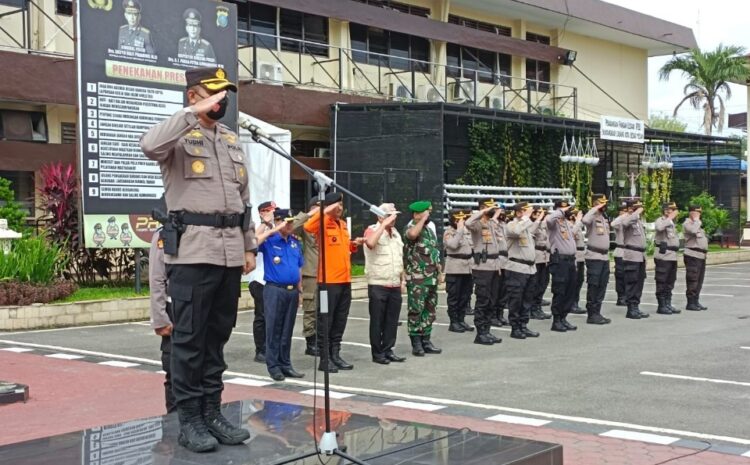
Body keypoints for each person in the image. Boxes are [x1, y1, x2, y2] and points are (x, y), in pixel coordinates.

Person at [140, 67, 255, 453]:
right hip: (192, 253)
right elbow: (148, 145)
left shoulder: (231, 140)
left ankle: (212, 411)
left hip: (228, 254)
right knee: (189, 341)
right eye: (215, 93)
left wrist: (249, 246)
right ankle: (188, 418)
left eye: (226, 94)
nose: (223, 100)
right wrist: (191, 113)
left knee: (216, 339)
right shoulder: (176, 135)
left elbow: (244, 202)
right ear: (195, 95)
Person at [303, 192, 362, 373]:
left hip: (344, 280)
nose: (340, 210)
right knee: (325, 321)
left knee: (340, 320)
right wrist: (326, 211)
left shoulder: (342, 225)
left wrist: (353, 245)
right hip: (328, 282)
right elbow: (307, 226)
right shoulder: (322, 222)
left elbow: (341, 248)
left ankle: (335, 354)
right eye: (337, 206)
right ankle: (324, 358)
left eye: (341, 207)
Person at [257, 208, 304, 381]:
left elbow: (298, 267)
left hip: (291, 291)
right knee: (274, 329)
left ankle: (285, 363)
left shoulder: (294, 242)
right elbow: (254, 241)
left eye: (291, 222)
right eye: (287, 222)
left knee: (287, 330)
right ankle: (273, 365)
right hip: (274, 290)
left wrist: (300, 291)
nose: (291, 225)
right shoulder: (270, 240)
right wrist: (272, 227)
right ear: (279, 222)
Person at [363, 203, 406, 364]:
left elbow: (399, 257)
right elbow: (370, 243)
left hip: (394, 283)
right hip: (378, 283)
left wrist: (403, 279)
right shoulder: (372, 230)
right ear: (380, 216)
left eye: (394, 216)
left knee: (392, 320)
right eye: (389, 216)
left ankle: (388, 349)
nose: (393, 219)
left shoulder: (395, 234)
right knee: (377, 320)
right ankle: (377, 353)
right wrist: (383, 226)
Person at [403, 200, 442, 356]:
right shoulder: (411, 227)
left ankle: (426, 340)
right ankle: (416, 343)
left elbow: (434, 252)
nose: (429, 215)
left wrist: (439, 271)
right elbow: (412, 235)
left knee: (430, 310)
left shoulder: (429, 230)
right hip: (417, 279)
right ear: (417, 214)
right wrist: (422, 220)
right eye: (427, 212)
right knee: (416, 310)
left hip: (430, 277)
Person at [465, 199, 504, 345]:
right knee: (483, 300)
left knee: (492, 300)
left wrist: (498, 266)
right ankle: (480, 333)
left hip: (494, 266)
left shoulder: (491, 223)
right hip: (482, 267)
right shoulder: (477, 224)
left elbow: (496, 247)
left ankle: (487, 330)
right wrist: (481, 212)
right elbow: (468, 223)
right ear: (482, 208)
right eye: (490, 206)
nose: (493, 208)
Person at [504, 202, 542, 340]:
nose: (528, 214)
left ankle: (523, 325)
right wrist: (525, 218)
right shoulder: (511, 225)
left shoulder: (526, 227)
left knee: (527, 299)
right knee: (516, 299)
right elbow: (514, 232)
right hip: (516, 268)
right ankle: (515, 328)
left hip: (530, 269)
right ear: (518, 212)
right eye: (525, 211)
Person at [148, 230, 176, 413]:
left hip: (202, 309)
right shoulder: (166, 233)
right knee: (175, 371)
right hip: (175, 310)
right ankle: (175, 421)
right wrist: (159, 317)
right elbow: (157, 277)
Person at [292, 197, 321, 356]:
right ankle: (311, 342)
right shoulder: (307, 224)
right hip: (312, 272)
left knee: (326, 309)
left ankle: (323, 339)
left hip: (329, 274)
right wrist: (310, 214)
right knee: (311, 308)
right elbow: (292, 227)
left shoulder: (328, 222)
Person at [249, 201, 277, 364]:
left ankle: (272, 348)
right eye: (271, 211)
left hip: (274, 280)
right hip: (259, 279)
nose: (274, 214)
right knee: (262, 316)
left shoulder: (277, 229)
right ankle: (260, 350)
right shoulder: (255, 228)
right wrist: (265, 223)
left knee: (274, 317)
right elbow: (253, 242)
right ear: (262, 212)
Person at [546, 200, 578, 332]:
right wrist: (560, 211)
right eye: (565, 209)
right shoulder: (554, 222)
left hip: (570, 261)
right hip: (560, 261)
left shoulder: (565, 222)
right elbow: (548, 219)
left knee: (570, 291)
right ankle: (557, 320)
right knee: (560, 290)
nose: (568, 210)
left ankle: (564, 317)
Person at [443, 209, 475, 334]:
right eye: (457, 219)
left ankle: (461, 320)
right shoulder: (449, 232)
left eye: (461, 219)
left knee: (465, 296)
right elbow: (453, 245)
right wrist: (460, 230)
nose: (460, 221)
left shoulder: (466, 232)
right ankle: (454, 322)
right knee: (454, 297)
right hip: (455, 268)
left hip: (467, 267)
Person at [582, 194, 612, 325]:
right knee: (594, 285)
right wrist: (595, 208)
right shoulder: (592, 216)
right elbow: (584, 220)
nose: (604, 205)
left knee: (602, 285)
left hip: (604, 256)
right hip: (594, 256)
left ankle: (597, 312)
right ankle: (591, 314)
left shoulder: (603, 218)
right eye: (602, 203)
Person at [620, 199, 650, 320]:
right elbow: (625, 223)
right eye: (637, 207)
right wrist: (636, 213)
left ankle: (636, 306)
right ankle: (631, 309)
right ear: (631, 208)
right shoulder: (626, 217)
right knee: (632, 282)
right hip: (631, 255)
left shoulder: (637, 220)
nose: (640, 209)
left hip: (640, 256)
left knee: (639, 282)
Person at [653, 201, 682, 315]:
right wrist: (670, 217)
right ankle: (661, 305)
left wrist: (671, 219)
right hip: (663, 256)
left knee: (670, 281)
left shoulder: (671, 223)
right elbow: (659, 227)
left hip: (672, 256)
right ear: (666, 210)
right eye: (672, 210)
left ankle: (668, 303)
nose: (674, 212)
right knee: (662, 281)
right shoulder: (661, 220)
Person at [683, 205, 709, 311]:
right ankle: (690, 303)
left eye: (699, 213)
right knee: (693, 279)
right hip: (692, 255)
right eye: (696, 212)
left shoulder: (697, 225)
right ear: (691, 213)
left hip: (701, 256)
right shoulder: (687, 223)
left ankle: (696, 301)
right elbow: (693, 231)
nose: (699, 215)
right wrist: (697, 220)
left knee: (699, 280)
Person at [529, 207, 551, 320]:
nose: (540, 215)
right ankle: (532, 308)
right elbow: (531, 231)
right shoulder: (532, 225)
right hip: (536, 257)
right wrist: (539, 220)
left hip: (545, 257)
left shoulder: (542, 225)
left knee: (544, 282)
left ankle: (538, 306)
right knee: (535, 284)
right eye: (538, 213)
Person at [611, 201, 629, 306]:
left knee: (629, 276)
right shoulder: (619, 222)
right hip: (621, 251)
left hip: (630, 252)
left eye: (626, 211)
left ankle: (628, 295)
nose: (625, 213)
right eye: (623, 211)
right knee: (620, 276)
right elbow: (613, 224)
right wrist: (624, 216)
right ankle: (621, 297)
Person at [569, 208, 587, 314]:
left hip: (580, 256)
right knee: (574, 281)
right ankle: (572, 303)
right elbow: (571, 234)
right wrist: (578, 222)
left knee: (579, 280)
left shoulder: (577, 226)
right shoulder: (570, 226)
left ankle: (575, 302)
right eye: (576, 215)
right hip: (574, 255)